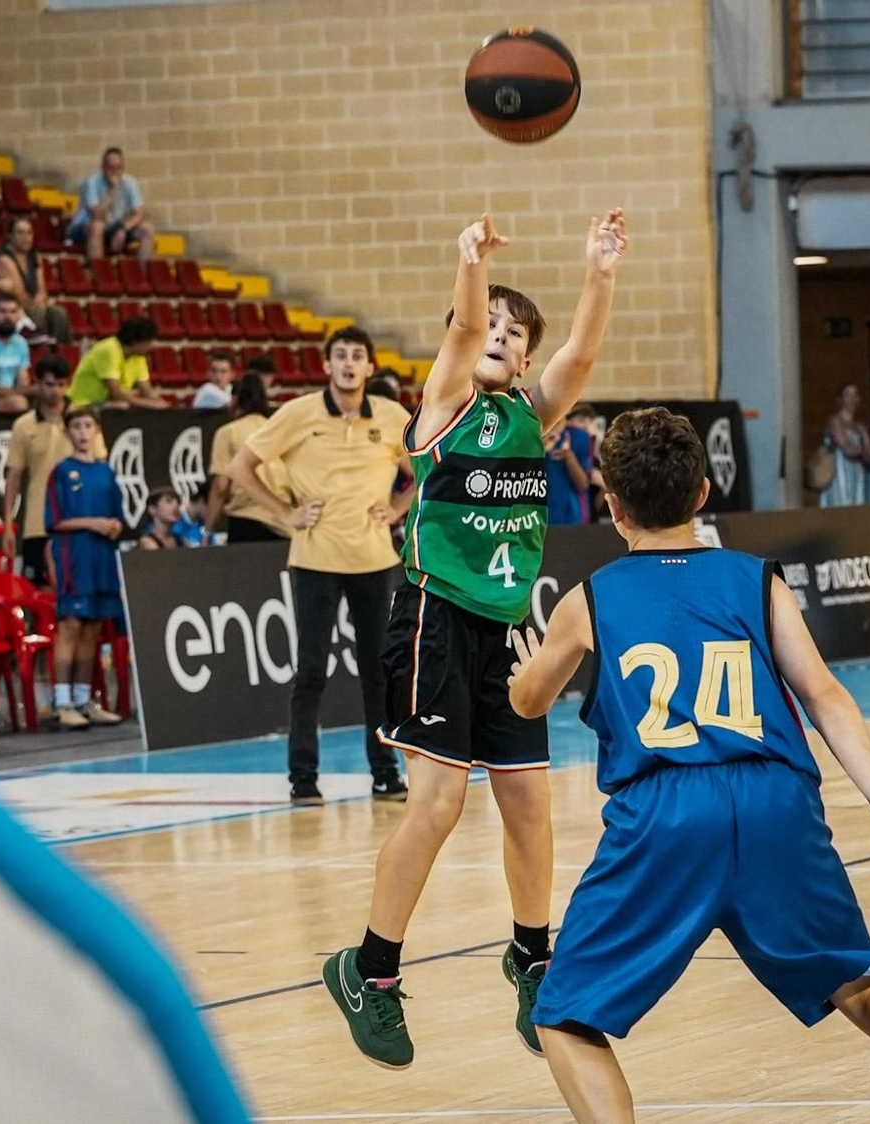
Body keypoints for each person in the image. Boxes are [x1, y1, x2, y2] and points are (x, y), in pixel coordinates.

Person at [499, 407, 870, 1124]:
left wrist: (524, 673)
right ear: (704, 494)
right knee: (867, 988)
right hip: (776, 801)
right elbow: (824, 695)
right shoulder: (757, 581)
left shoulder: (591, 598)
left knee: (564, 1017)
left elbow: (526, 701)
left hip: (663, 814)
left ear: (611, 505)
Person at [321, 209, 627, 1067]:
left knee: (529, 804)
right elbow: (459, 329)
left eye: (513, 331)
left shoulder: (536, 413)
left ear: (526, 359)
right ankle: (369, 970)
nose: (497, 334)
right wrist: (471, 266)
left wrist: (598, 272)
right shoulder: (445, 403)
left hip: (503, 629)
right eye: (491, 323)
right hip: (432, 617)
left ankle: (534, 959)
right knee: (441, 803)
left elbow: (584, 354)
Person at [229, 327, 412, 803]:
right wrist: (285, 512)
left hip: (374, 559)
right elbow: (241, 468)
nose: (349, 363)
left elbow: (431, 468)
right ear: (326, 365)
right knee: (311, 670)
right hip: (314, 559)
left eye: (357, 356)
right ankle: (303, 778)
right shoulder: (298, 413)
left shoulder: (392, 416)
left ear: (370, 368)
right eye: (340, 356)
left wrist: (396, 509)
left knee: (379, 670)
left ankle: (385, 771)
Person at [45, 407, 128, 730]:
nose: (82, 432)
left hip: (102, 557)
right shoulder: (62, 472)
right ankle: (61, 701)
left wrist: (112, 526)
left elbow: (119, 517)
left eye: (88, 426)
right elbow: (54, 521)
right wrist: (93, 523)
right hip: (74, 557)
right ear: (67, 433)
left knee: (93, 628)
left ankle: (83, 700)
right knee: (71, 626)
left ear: (97, 431)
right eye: (76, 426)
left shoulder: (107, 472)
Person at [0, 354, 73, 583]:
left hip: (77, 521)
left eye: (61, 385)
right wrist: (7, 526)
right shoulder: (23, 426)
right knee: (39, 592)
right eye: (50, 385)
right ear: (38, 383)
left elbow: (100, 466)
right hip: (37, 524)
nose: (56, 391)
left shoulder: (81, 420)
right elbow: (13, 477)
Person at [203, 370, 289, 544]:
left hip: (246, 522)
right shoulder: (278, 430)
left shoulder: (228, 433)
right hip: (284, 523)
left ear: (235, 400)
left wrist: (207, 531)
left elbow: (220, 486)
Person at [0, 214, 71, 343]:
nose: (26, 237)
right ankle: (40, 353)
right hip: (10, 307)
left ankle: (59, 352)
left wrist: (41, 299)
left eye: (29, 232)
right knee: (36, 313)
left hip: (29, 304)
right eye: (20, 232)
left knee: (59, 313)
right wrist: (37, 305)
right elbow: (19, 295)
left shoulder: (34, 256)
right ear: (10, 236)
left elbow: (42, 290)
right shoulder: (4, 259)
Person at [68, 148, 153, 261]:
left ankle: (143, 275)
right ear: (103, 168)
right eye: (111, 168)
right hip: (83, 228)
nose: (115, 172)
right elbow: (96, 216)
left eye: (119, 168)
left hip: (112, 227)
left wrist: (123, 230)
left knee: (147, 229)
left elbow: (140, 213)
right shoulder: (92, 182)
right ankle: (98, 274)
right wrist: (112, 190)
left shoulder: (130, 183)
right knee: (97, 227)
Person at [68, 315, 165, 409]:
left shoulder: (138, 357)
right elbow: (116, 394)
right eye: (149, 342)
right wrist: (151, 404)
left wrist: (161, 404)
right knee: (121, 405)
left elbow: (147, 390)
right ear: (136, 341)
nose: (151, 347)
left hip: (107, 403)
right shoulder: (109, 350)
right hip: (83, 404)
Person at [818, 384, 870, 508]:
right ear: (839, 400)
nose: (852, 398)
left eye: (855, 395)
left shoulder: (860, 427)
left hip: (856, 474)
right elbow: (846, 449)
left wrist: (864, 451)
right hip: (838, 474)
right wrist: (863, 451)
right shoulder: (834, 420)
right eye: (847, 394)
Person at [544, 413, 594, 525]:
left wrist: (569, 456)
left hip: (572, 518)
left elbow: (583, 485)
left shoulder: (580, 436)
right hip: (540, 517)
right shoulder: (531, 434)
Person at [138, 487, 189, 551]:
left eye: (178, 502)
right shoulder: (147, 542)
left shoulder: (181, 541)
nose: (176, 505)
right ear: (152, 509)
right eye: (169, 501)